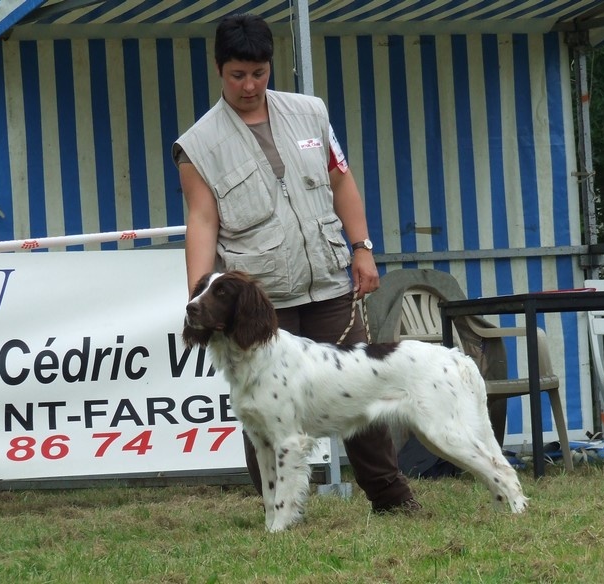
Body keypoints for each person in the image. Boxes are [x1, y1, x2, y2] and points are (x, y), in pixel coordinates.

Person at [172, 13, 419, 514]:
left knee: (362, 399)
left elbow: (341, 181)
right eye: (238, 74)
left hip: (329, 283)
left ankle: (392, 501)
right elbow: (201, 220)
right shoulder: (196, 144)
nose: (249, 85)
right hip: (260, 301)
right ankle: (277, 512)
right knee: (262, 412)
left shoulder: (311, 113)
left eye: (259, 73)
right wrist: (198, 295)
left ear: (271, 66)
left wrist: (363, 246)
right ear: (219, 69)